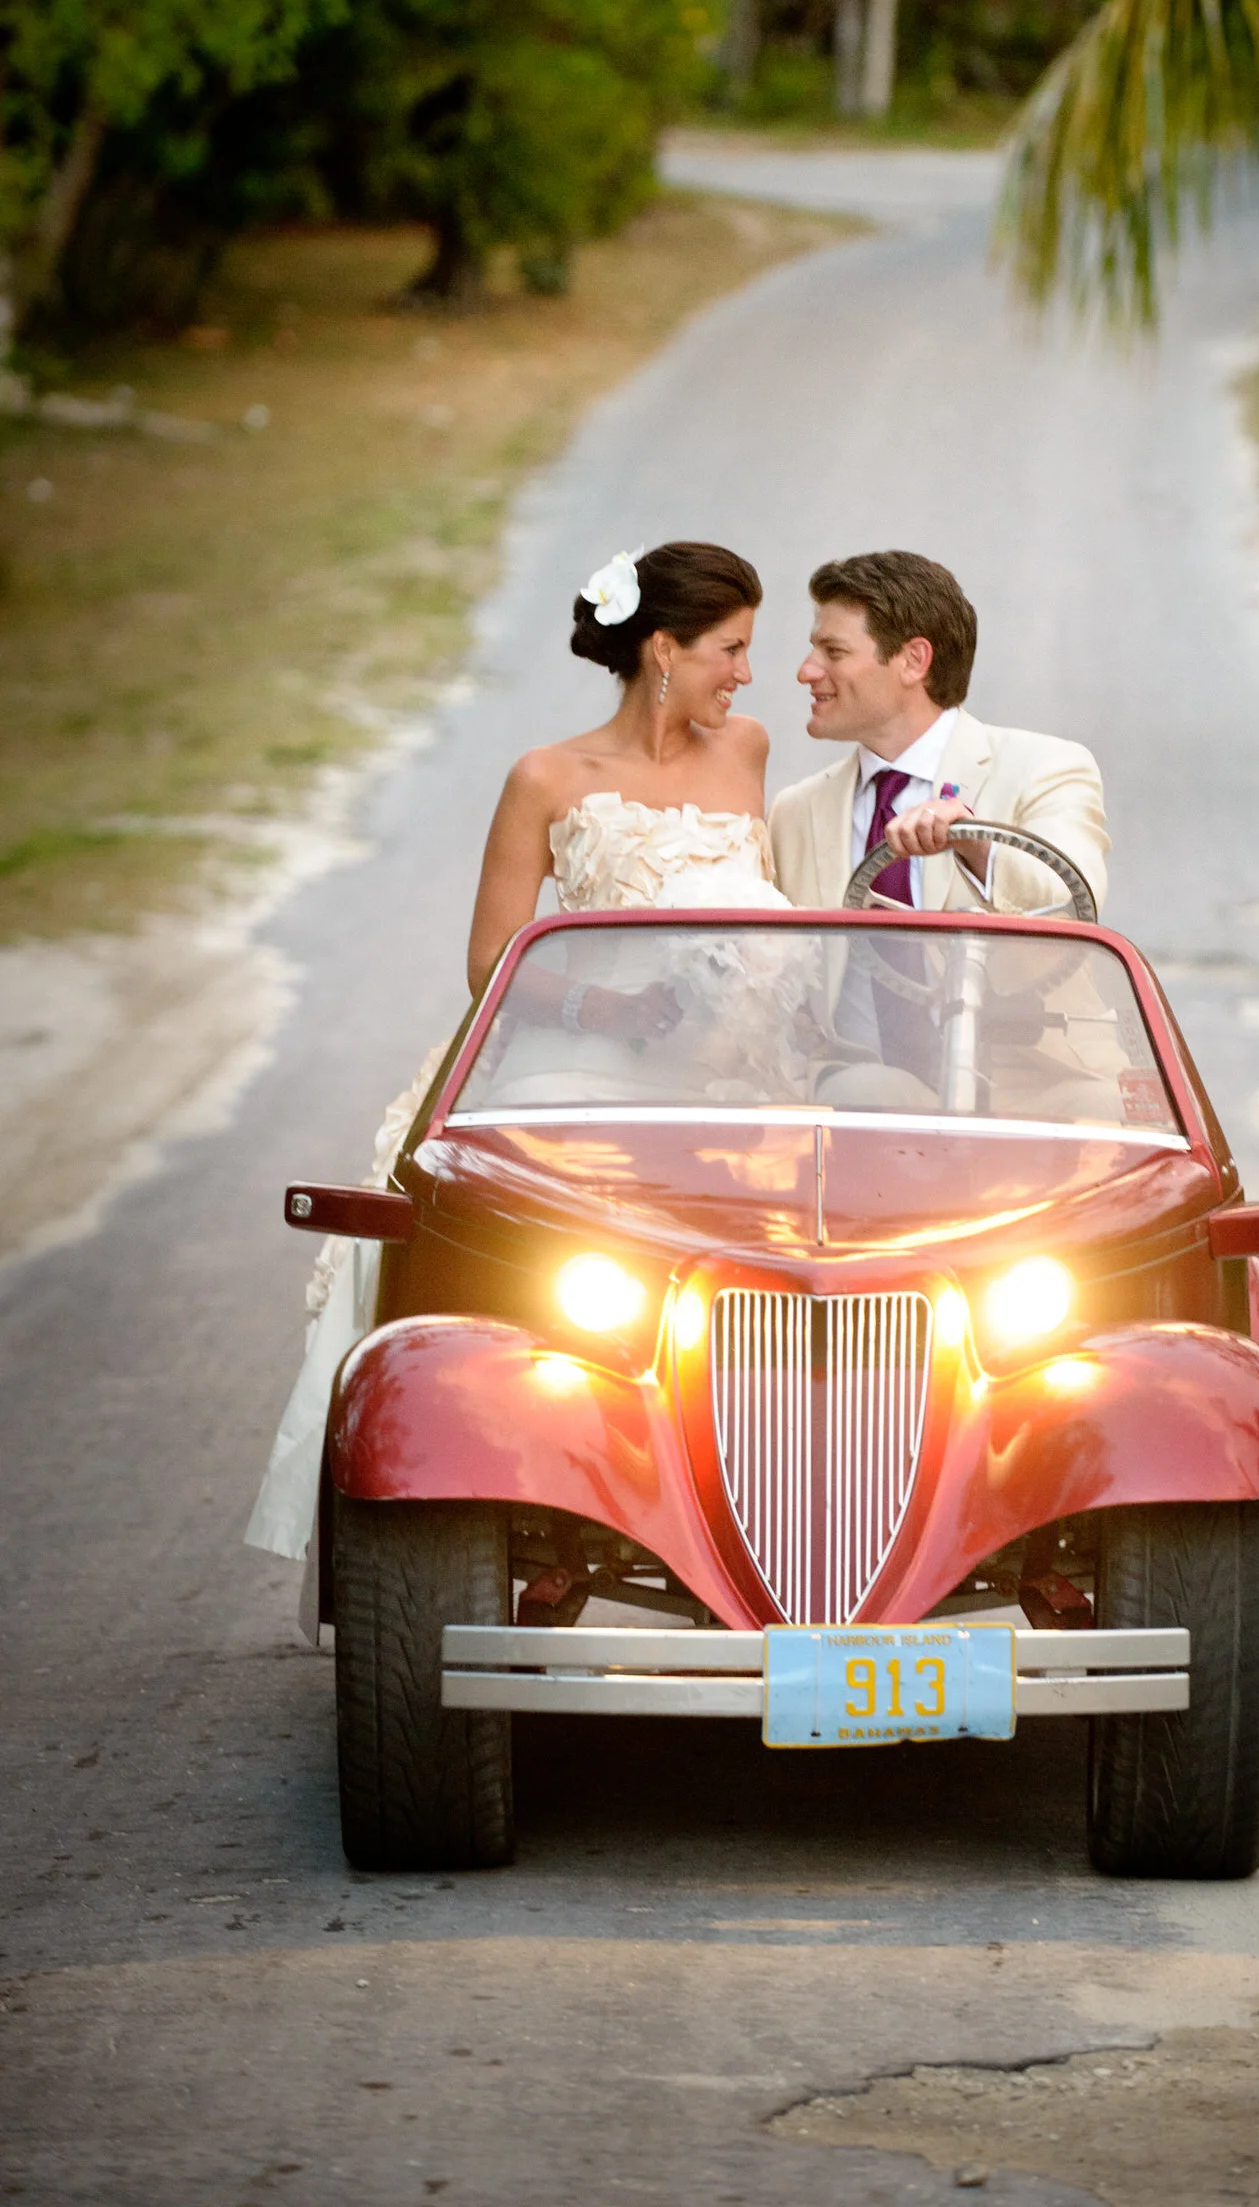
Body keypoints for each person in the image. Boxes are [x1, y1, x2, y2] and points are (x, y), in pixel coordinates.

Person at [247, 539, 786, 1565]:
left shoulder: (748, 749)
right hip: (601, 1055)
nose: (746, 674)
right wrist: (613, 1011)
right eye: (731, 649)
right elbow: (491, 958)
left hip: (733, 1066)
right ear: (663, 648)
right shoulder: (547, 776)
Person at [768, 549, 1110, 917]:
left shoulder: (1047, 768)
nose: (806, 672)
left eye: (833, 651)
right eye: (813, 650)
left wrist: (977, 847)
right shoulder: (793, 812)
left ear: (914, 661)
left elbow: (1073, 904)